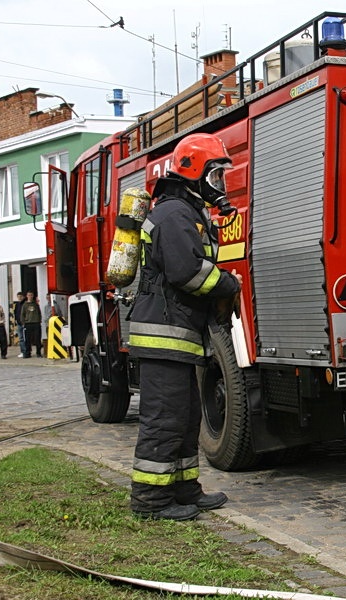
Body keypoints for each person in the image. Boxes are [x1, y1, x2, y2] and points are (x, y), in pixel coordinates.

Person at [127, 132, 242, 521]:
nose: (220, 185)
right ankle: (150, 501)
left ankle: (184, 490)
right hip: (163, 334)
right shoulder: (174, 214)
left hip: (178, 335)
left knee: (186, 416)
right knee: (164, 418)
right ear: (195, 173)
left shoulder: (187, 213)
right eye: (216, 175)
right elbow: (185, 272)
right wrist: (229, 284)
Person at [20, 291, 43, 358]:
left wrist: (39, 320)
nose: (30, 296)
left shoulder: (36, 304)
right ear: (27, 296)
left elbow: (39, 313)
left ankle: (38, 353)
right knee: (27, 339)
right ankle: (27, 353)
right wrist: (23, 322)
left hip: (36, 323)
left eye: (31, 295)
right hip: (28, 323)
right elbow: (22, 315)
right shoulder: (24, 305)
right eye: (29, 295)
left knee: (37, 339)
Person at [14, 292, 27, 358]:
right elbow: (15, 313)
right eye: (18, 296)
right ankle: (23, 351)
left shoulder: (26, 304)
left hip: (25, 323)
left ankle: (27, 351)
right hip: (19, 323)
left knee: (26, 338)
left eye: (21, 296)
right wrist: (16, 320)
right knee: (21, 338)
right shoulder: (17, 304)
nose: (19, 298)